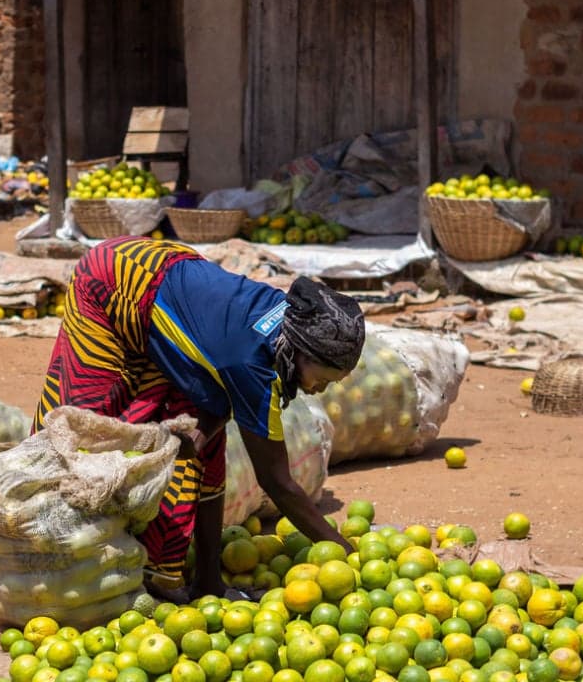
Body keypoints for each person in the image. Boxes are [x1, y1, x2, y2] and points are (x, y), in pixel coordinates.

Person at [32, 236, 364, 601]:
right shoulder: (254, 368)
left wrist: (212, 582)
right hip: (117, 278)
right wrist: (346, 557)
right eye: (323, 378)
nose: (320, 390)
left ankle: (202, 578)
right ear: (299, 352)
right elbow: (277, 482)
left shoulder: (287, 318)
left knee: (197, 442)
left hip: (174, 276)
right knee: (85, 427)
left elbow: (213, 417)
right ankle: (45, 551)